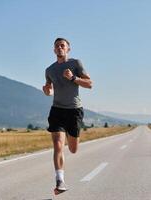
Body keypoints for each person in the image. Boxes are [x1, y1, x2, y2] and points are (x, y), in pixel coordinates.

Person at [42, 38, 92, 194]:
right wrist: (47, 90)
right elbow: (49, 90)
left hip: (74, 110)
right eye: (57, 46)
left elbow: (90, 84)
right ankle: (60, 181)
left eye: (62, 45)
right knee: (57, 144)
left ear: (68, 49)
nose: (59, 48)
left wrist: (73, 78)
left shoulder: (76, 64)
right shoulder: (49, 70)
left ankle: (74, 138)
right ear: (54, 50)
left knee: (73, 149)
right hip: (57, 109)